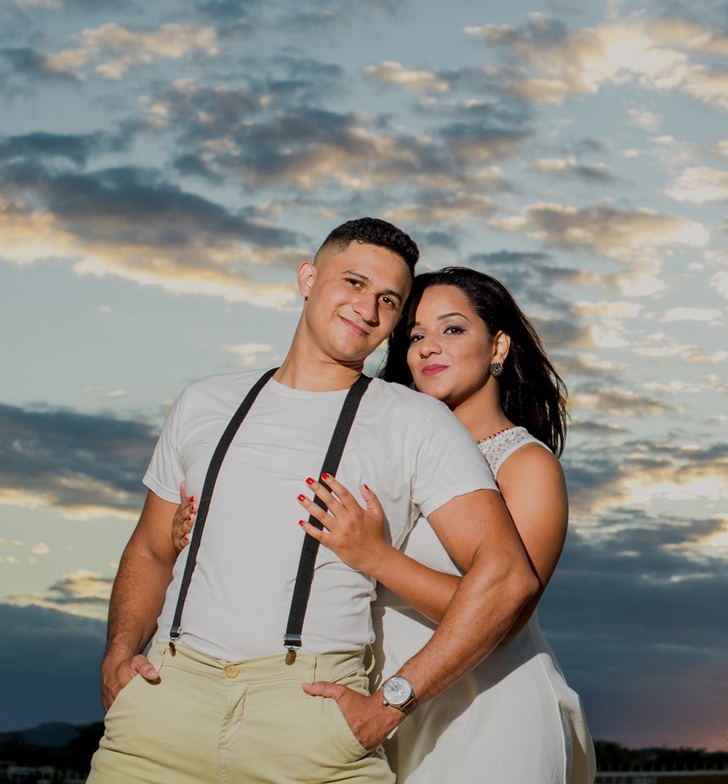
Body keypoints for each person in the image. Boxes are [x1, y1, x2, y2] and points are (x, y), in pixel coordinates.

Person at [89, 220, 538, 784]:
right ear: (308, 278)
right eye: (353, 282)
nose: (367, 308)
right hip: (162, 708)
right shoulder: (204, 400)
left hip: (312, 717)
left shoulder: (416, 420)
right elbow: (153, 550)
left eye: (388, 300)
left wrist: (389, 704)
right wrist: (118, 653)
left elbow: (506, 579)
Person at [291, 267, 596, 783]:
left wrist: (376, 557)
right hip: (393, 716)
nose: (428, 347)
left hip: (490, 714)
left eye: (452, 329)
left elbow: (505, 614)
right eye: (415, 336)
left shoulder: (526, 466)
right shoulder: (393, 457)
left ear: (498, 347)